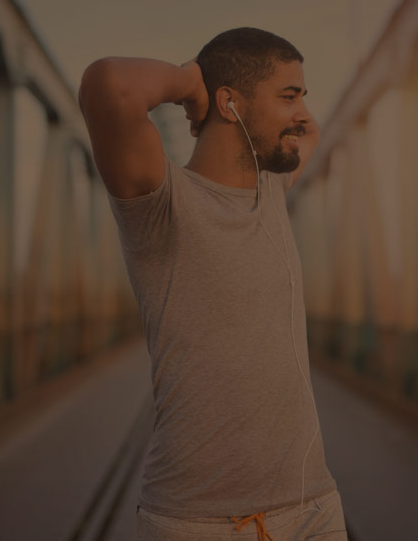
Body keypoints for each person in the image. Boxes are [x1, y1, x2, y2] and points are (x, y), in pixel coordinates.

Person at [79, 27, 348, 541]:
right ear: (229, 104)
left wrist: (283, 112)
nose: (302, 112)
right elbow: (108, 84)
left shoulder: (272, 188)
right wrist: (191, 83)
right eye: (289, 96)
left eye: (302, 97)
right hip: (197, 523)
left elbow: (309, 134)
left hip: (314, 509)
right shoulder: (160, 202)